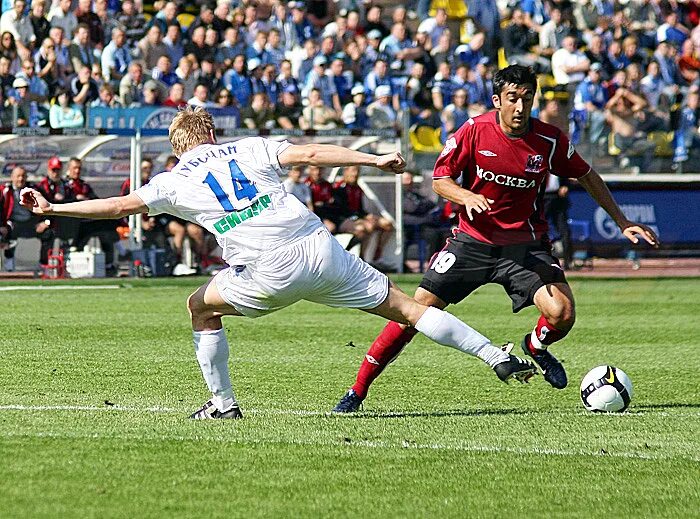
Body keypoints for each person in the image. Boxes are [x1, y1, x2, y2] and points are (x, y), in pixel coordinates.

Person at [20, 106, 537, 419]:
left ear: (179, 148)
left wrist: (52, 206)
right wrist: (374, 159)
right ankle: (493, 354)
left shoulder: (174, 179)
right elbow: (311, 155)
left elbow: (117, 206)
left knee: (200, 306)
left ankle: (223, 405)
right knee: (407, 308)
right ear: (212, 137)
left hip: (269, 269)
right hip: (320, 248)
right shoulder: (249, 147)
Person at [332, 65, 659, 413]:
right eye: (513, 99)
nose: (520, 107)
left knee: (562, 313)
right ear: (497, 100)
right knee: (415, 312)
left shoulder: (549, 140)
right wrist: (466, 197)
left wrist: (621, 220)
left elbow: (587, 176)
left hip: (525, 246)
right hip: (472, 242)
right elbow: (441, 180)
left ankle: (536, 346)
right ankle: (357, 390)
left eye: (527, 99)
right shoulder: (474, 131)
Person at [1, 165, 54, 270]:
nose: (21, 179)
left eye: (23, 176)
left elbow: (49, 205)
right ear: (12, 177)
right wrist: (1, 226)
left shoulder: (34, 190)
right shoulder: (5, 191)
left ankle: (44, 264)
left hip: (31, 222)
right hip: (13, 223)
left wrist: (46, 222)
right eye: (18, 176)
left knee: (48, 233)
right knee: (6, 232)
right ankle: (9, 262)